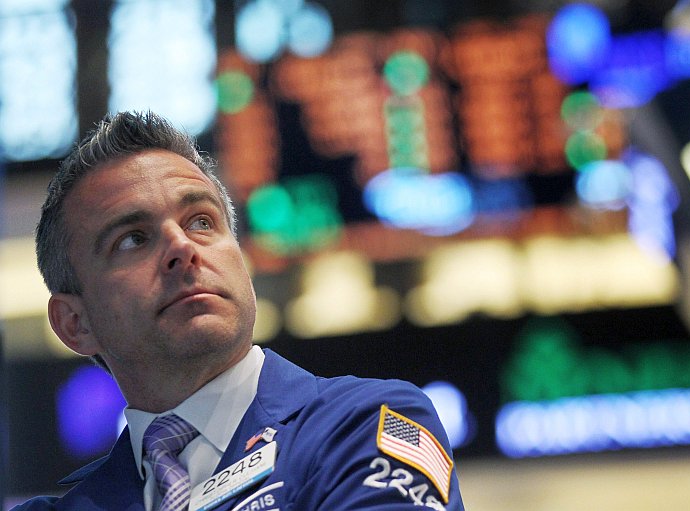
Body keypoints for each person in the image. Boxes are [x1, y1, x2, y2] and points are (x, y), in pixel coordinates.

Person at [14, 111, 464, 511]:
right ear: (75, 323)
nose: (182, 247)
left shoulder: (364, 425)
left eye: (202, 222)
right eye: (132, 238)